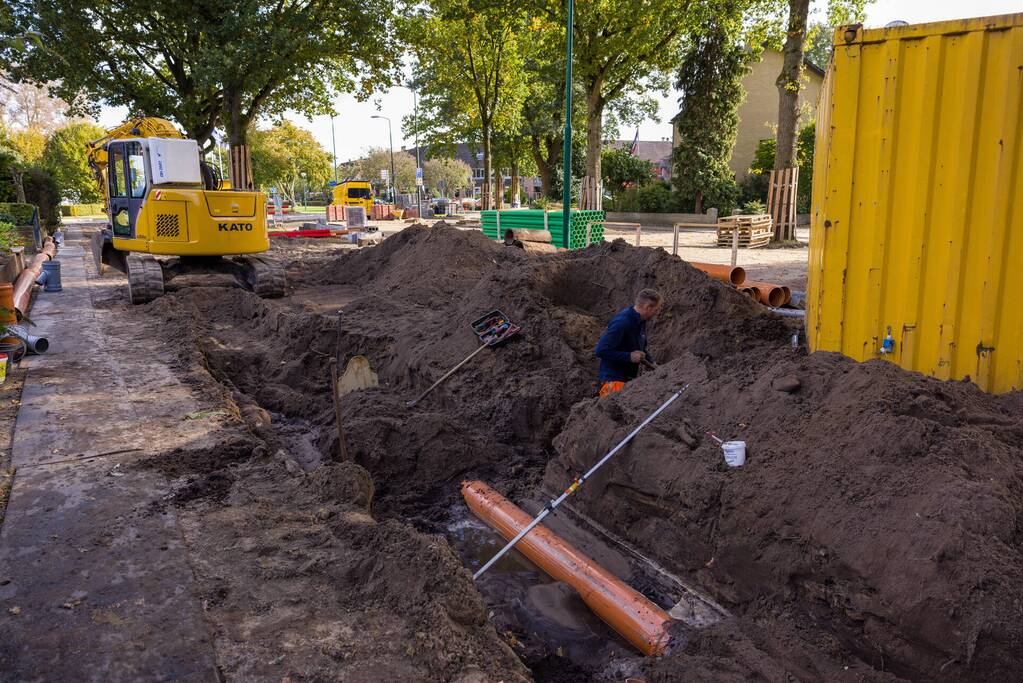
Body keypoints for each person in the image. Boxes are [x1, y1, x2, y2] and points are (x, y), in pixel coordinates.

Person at [594, 289, 662, 396]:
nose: (657, 313)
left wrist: (652, 363)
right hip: (612, 382)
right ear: (648, 307)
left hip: (628, 381)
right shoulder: (622, 323)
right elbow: (600, 351)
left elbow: (641, 348)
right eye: (656, 309)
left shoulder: (641, 321)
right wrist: (629, 356)